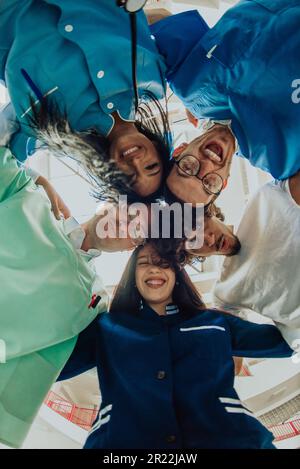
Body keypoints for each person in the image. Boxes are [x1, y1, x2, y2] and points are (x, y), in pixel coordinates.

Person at [0, 104, 144, 448]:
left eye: (137, 234)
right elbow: (13, 123)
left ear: (129, 248)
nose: (128, 227)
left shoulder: (96, 305)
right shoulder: (30, 197)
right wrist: (34, 176)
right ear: (108, 205)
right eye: (130, 214)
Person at [58, 241, 292, 449]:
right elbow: (54, 368)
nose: (153, 268)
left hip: (232, 439)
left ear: (177, 273)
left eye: (163, 263)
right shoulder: (107, 327)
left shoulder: (215, 321)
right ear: (133, 275)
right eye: (143, 263)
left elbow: (286, 342)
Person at [0, 0, 172, 201]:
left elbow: (6, 162)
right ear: (158, 148)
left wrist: (37, 182)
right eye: (151, 166)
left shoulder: (56, 131)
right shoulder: (153, 80)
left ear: (112, 174)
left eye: (129, 177)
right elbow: (154, 18)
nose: (136, 162)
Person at [149, 0, 300, 201]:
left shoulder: (189, 85)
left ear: (180, 151)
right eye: (209, 183)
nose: (206, 165)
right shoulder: (282, 160)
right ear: (224, 182)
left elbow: (157, 18)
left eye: (187, 168)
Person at [214, 171, 300, 352]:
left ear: (211, 212)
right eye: (191, 242)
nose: (205, 238)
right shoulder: (225, 291)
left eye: (198, 227)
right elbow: (226, 336)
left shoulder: (265, 198)